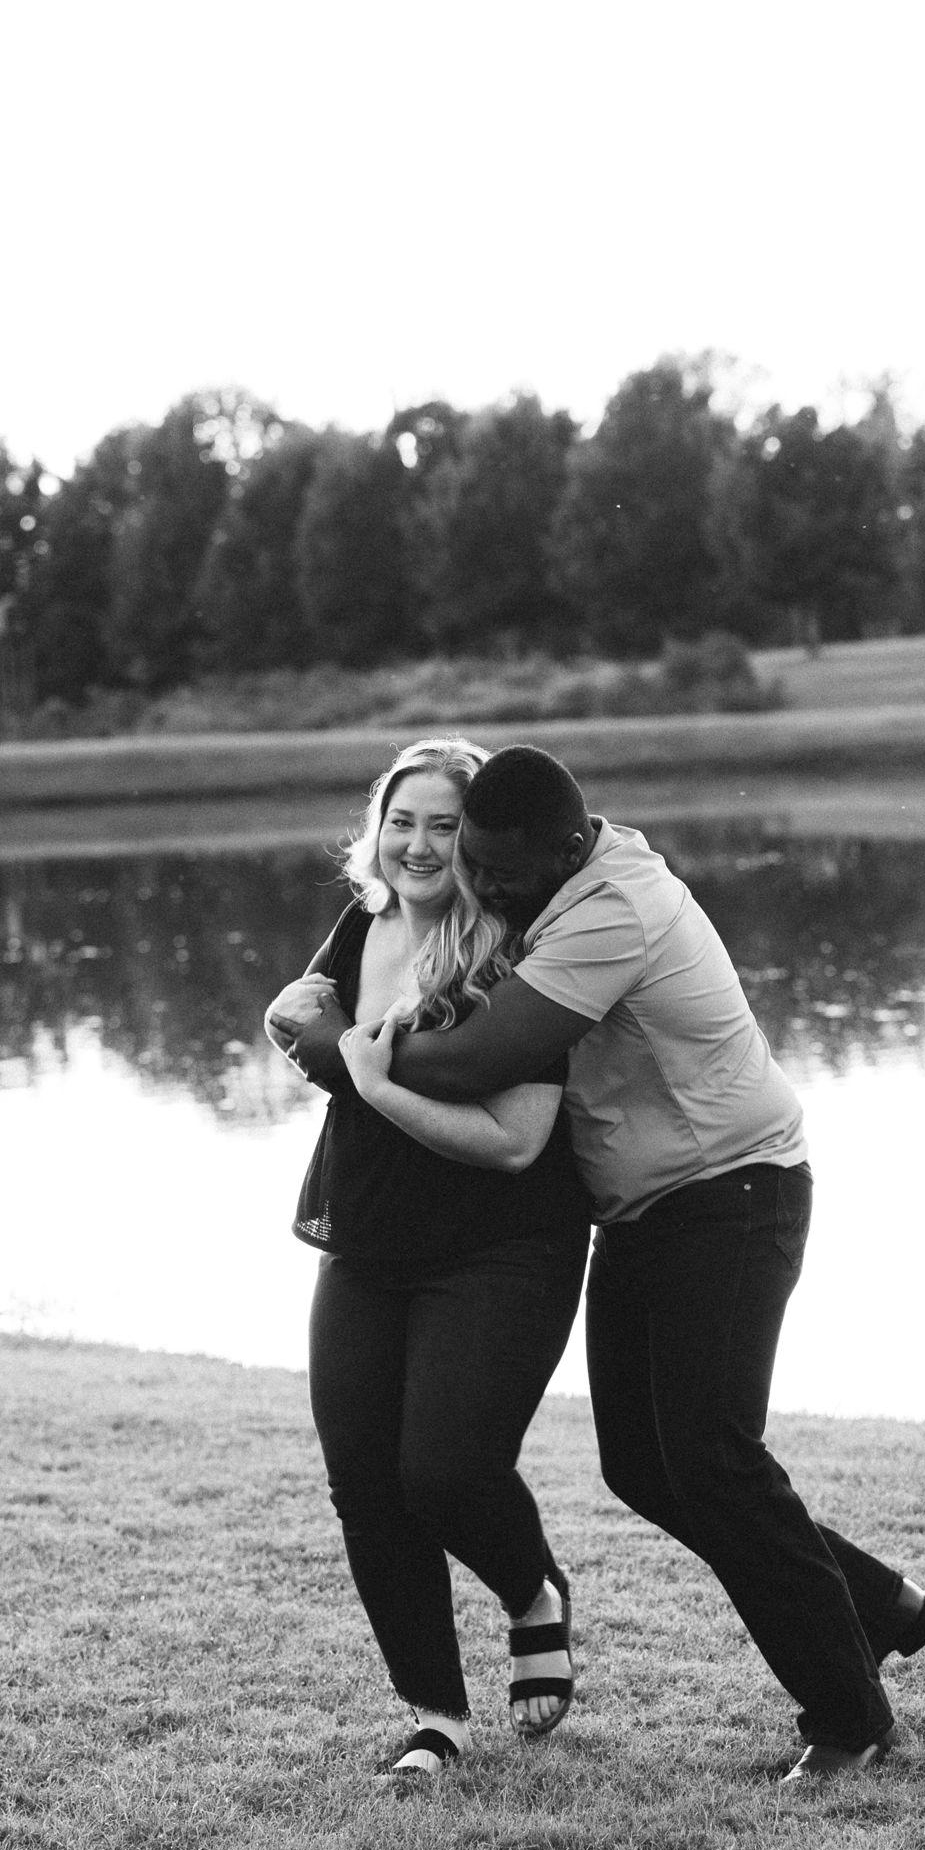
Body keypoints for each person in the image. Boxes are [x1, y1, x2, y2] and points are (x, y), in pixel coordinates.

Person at [277, 744, 925, 1783]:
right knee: (642, 1466)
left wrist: (341, 1052)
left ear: (560, 847)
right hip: (642, 1208)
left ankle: (849, 1718)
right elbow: (324, 984)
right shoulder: (538, 888)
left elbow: (483, 1059)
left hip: (730, 1191)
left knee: (711, 1459)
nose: (483, 883)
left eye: (488, 861)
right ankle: (881, 1603)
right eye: (470, 858)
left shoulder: (605, 911)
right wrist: (314, 1014)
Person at [264, 737, 593, 1782]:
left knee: (444, 1471)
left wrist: (368, 1077)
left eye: (444, 826)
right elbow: (303, 1016)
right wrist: (300, 1024)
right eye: (400, 821)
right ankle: (434, 1717)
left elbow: (515, 1140)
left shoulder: (519, 954)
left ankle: (533, 1594)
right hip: (367, 1241)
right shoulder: (360, 925)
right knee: (363, 1483)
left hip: (502, 1246)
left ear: (481, 842)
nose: (417, 845)